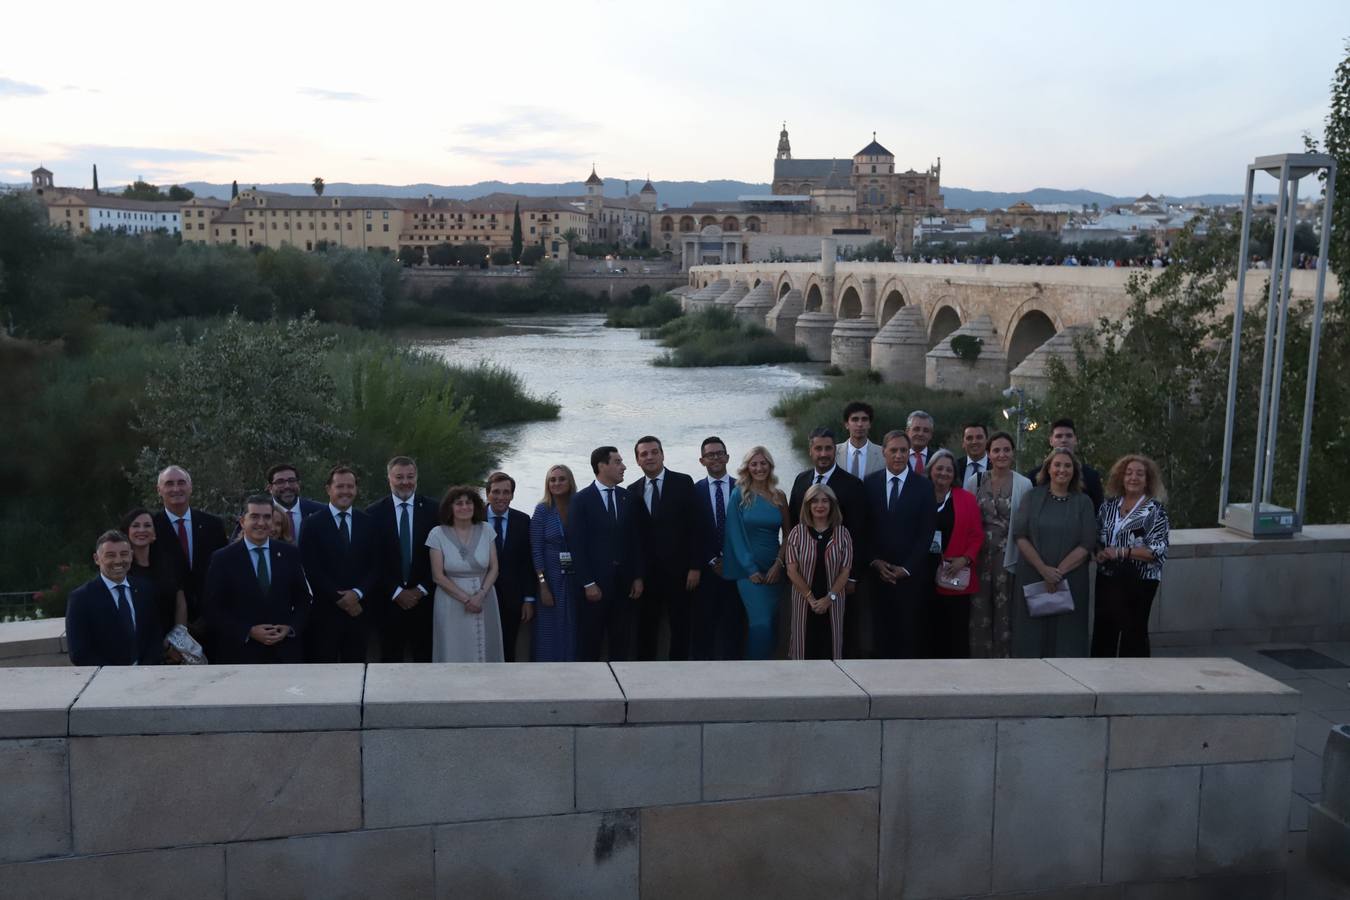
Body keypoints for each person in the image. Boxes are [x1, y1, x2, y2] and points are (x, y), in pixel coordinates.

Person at [787, 427, 867, 656]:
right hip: (805, 575)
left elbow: (859, 532)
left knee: (839, 635)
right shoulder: (801, 480)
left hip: (838, 576)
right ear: (810, 450)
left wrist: (852, 576)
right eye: (818, 448)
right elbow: (794, 520)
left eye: (828, 448)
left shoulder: (852, 484)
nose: (823, 453)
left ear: (835, 451)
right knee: (804, 639)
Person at [1011, 448, 1099, 658]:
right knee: (1031, 635)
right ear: (1048, 468)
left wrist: (1057, 573)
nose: (1062, 469)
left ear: (1074, 471)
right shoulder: (1031, 497)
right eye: (1057, 464)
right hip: (1033, 574)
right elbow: (1020, 535)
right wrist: (1043, 570)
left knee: (1067, 636)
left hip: (1071, 578)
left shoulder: (1083, 502)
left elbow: (1087, 543)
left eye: (1067, 465)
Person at [203, 495, 312, 663]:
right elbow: (213, 608)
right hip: (241, 654)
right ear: (242, 521)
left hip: (285, 654)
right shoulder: (223, 559)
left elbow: (303, 599)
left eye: (267, 517)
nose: (261, 523)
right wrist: (248, 631)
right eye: (254, 517)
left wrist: (290, 628)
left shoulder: (290, 553)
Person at [863, 430, 937, 659]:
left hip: (910, 576)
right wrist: (875, 561)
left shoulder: (924, 487)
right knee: (880, 635)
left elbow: (926, 533)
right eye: (893, 450)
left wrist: (906, 568)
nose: (898, 455)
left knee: (908, 635)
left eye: (903, 450)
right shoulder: (869, 483)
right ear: (883, 452)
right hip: (878, 574)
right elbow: (864, 529)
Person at [628, 436, 701, 661]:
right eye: (644, 454)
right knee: (646, 628)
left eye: (653, 452)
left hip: (680, 572)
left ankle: (678, 673)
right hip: (648, 576)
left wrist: (695, 567)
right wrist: (636, 575)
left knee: (681, 627)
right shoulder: (632, 491)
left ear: (662, 454)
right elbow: (633, 539)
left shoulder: (683, 482)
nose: (649, 457)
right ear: (638, 461)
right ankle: (645, 676)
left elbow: (695, 527)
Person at [569, 446, 644, 662]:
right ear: (602, 466)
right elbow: (577, 544)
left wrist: (638, 576)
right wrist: (588, 583)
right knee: (589, 643)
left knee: (621, 643)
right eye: (618, 462)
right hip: (594, 588)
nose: (624, 466)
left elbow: (635, 540)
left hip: (624, 587)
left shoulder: (628, 498)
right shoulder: (581, 500)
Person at [1092, 455, 1171, 658]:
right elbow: (1097, 536)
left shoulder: (1155, 511)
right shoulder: (1108, 507)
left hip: (1140, 580)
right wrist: (1099, 552)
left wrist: (1122, 552)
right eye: (1128, 473)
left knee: (1133, 631)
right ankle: (1101, 676)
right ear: (1121, 477)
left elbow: (1158, 550)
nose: (1133, 478)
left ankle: (1134, 680)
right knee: (1104, 629)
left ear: (1148, 479)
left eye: (1139, 474)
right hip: (1108, 577)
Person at [300, 465, 380, 663]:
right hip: (325, 613)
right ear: (328, 489)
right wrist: (339, 598)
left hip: (359, 612)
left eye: (350, 486)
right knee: (324, 669)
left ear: (356, 489)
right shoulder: (311, 524)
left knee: (356, 667)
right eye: (340, 486)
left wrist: (357, 594)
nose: (345, 491)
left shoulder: (369, 522)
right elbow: (310, 567)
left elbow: (377, 565)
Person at [366, 456, 438, 663]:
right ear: (389, 478)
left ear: (417, 478)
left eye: (410, 476)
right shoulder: (373, 513)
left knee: (425, 659)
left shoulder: (435, 510)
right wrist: (396, 591)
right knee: (390, 659)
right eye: (399, 477)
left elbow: (440, 555)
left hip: (425, 600)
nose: (405, 482)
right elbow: (373, 559)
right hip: (388, 601)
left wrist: (420, 590)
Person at [723, 446, 790, 660]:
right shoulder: (739, 494)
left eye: (763, 463)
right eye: (754, 464)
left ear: (770, 466)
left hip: (774, 571)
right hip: (749, 573)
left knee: (772, 623)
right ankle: (754, 674)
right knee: (760, 623)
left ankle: (770, 672)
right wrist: (750, 568)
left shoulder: (779, 496)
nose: (759, 468)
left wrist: (778, 565)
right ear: (747, 468)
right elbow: (734, 534)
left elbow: (789, 535)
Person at [970, 431, 1032, 659]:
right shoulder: (975, 481)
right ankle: (978, 660)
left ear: (1013, 453)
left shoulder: (1024, 484)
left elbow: (1026, 525)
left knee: (1006, 612)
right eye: (996, 450)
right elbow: (967, 520)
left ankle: (1004, 661)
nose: (1001, 454)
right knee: (979, 610)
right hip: (979, 558)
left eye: (1006, 450)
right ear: (988, 454)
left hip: (1009, 557)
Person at [426, 485, 504, 662]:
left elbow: (494, 568)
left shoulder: (486, 530)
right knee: (453, 648)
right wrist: (467, 599)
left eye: (469, 503)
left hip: (485, 598)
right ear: (450, 508)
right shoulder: (437, 534)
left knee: (485, 650)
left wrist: (480, 595)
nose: (464, 507)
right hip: (451, 601)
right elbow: (438, 576)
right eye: (459, 503)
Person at [66, 530, 162, 666]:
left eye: (124, 554)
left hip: (147, 676)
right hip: (107, 680)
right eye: (110, 555)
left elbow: (155, 637)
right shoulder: (81, 598)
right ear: (96, 559)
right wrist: (119, 676)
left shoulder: (145, 589)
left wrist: (146, 668)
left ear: (131, 555)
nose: (118, 561)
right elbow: (79, 653)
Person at [151, 465, 227, 632]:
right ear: (159, 490)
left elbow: (223, 571)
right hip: (166, 622)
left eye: (181, 483)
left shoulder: (213, 524)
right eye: (169, 484)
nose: (176, 488)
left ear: (190, 487)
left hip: (213, 621)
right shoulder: (150, 527)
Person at [924, 450, 984, 659]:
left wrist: (965, 559)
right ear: (930, 470)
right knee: (926, 629)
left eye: (949, 469)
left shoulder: (966, 499)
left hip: (953, 573)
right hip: (922, 573)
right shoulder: (919, 494)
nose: (943, 473)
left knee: (955, 632)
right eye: (939, 468)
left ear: (955, 474)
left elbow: (977, 535)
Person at [784, 484, 853, 660]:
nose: (819, 505)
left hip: (833, 601)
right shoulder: (796, 534)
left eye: (824, 501)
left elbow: (845, 571)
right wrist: (811, 599)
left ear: (832, 505)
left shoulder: (843, 534)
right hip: (804, 601)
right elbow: (792, 570)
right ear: (807, 505)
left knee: (831, 647)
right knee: (803, 648)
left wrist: (829, 599)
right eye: (814, 501)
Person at [690, 437, 744, 660]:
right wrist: (711, 560)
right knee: (704, 628)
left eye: (720, 453)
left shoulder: (743, 489)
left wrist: (733, 559)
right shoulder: (694, 491)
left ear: (728, 457)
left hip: (739, 569)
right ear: (702, 460)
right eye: (710, 455)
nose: (716, 458)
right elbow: (692, 533)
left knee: (736, 626)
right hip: (706, 571)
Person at [530, 464, 579, 662]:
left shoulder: (580, 505)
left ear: (570, 482)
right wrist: (543, 584)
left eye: (561, 479)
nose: (557, 483)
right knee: (549, 627)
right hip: (550, 578)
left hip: (576, 577)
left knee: (575, 625)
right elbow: (536, 549)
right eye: (552, 479)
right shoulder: (542, 510)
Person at [486, 471, 536, 662]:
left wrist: (529, 599)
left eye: (506, 492)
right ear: (487, 494)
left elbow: (527, 563)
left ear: (512, 495)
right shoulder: (473, 518)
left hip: (513, 598)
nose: (501, 497)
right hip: (480, 595)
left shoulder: (523, 520)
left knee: (508, 648)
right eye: (496, 492)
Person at [121, 508, 187, 644]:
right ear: (127, 532)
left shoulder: (168, 563)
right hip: (140, 645)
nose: (141, 530)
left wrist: (178, 639)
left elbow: (180, 602)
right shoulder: (122, 571)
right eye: (135, 526)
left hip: (174, 646)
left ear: (154, 533)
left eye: (147, 525)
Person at [1023, 418, 1104, 511]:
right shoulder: (1034, 477)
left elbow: (1098, 513)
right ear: (1051, 441)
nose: (1064, 440)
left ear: (1075, 440)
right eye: (1059, 436)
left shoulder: (1091, 477)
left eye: (1069, 436)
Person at [265, 463, 326, 545]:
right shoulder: (259, 513)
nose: (287, 486)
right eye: (280, 482)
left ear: (299, 484)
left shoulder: (321, 511)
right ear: (270, 488)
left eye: (291, 480)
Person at [837, 401, 884, 478]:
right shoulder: (834, 452)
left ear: (870, 424)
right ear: (846, 424)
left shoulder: (882, 454)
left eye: (864, 419)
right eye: (855, 419)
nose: (860, 424)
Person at [956, 422, 989, 486]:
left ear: (987, 441)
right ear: (963, 443)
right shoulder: (955, 467)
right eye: (969, 438)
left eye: (979, 437)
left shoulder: (996, 467)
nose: (974, 442)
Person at [906, 410, 938, 475]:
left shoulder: (937, 459)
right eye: (916, 429)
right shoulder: (897, 457)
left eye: (926, 430)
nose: (921, 434)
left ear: (931, 434)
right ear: (907, 431)